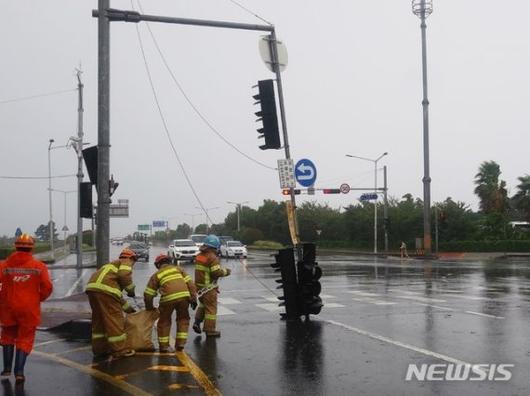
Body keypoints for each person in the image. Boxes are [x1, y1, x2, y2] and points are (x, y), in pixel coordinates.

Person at [0, 234, 53, 384]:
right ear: (31, 248)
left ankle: (6, 368)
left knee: (7, 336)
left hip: (8, 307)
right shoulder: (38, 266)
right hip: (29, 308)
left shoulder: (4, 266)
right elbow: (47, 287)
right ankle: (19, 373)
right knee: (25, 338)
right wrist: (38, 298)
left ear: (15, 246)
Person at [85, 248, 138, 359]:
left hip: (92, 290)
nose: (133, 264)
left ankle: (99, 349)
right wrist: (131, 290)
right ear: (131, 258)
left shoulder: (110, 265)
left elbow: (116, 296)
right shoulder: (126, 261)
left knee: (98, 320)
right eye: (134, 261)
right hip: (106, 291)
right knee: (115, 320)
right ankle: (119, 350)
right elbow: (124, 276)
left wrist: (128, 309)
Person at [144, 254, 197, 352]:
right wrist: (193, 299)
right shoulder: (179, 269)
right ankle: (180, 344)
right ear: (169, 261)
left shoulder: (156, 275)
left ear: (158, 264)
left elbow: (148, 294)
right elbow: (191, 285)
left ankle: (164, 346)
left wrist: (149, 308)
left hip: (167, 299)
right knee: (183, 319)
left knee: (164, 321)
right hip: (184, 297)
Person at [192, 235, 231, 338]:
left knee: (203, 305)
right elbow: (215, 273)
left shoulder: (199, 255)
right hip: (209, 289)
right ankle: (210, 331)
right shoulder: (212, 257)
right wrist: (226, 272)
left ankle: (197, 322)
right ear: (215, 247)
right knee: (211, 310)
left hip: (200, 288)